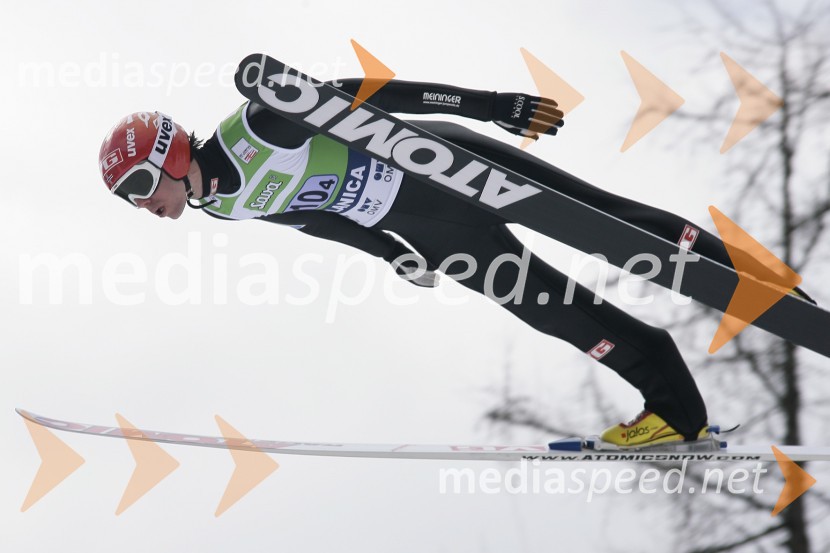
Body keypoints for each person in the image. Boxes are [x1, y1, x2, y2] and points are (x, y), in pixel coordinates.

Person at [96, 77, 795, 449]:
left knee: (606, 224)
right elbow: (315, 218)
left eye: (136, 188)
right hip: (424, 228)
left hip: (441, 169)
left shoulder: (258, 126)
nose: (141, 206)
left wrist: (490, 105)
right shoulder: (220, 205)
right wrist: (390, 252)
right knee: (560, 315)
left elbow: (372, 96)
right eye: (127, 201)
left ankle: (756, 281)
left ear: (169, 155)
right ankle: (675, 410)